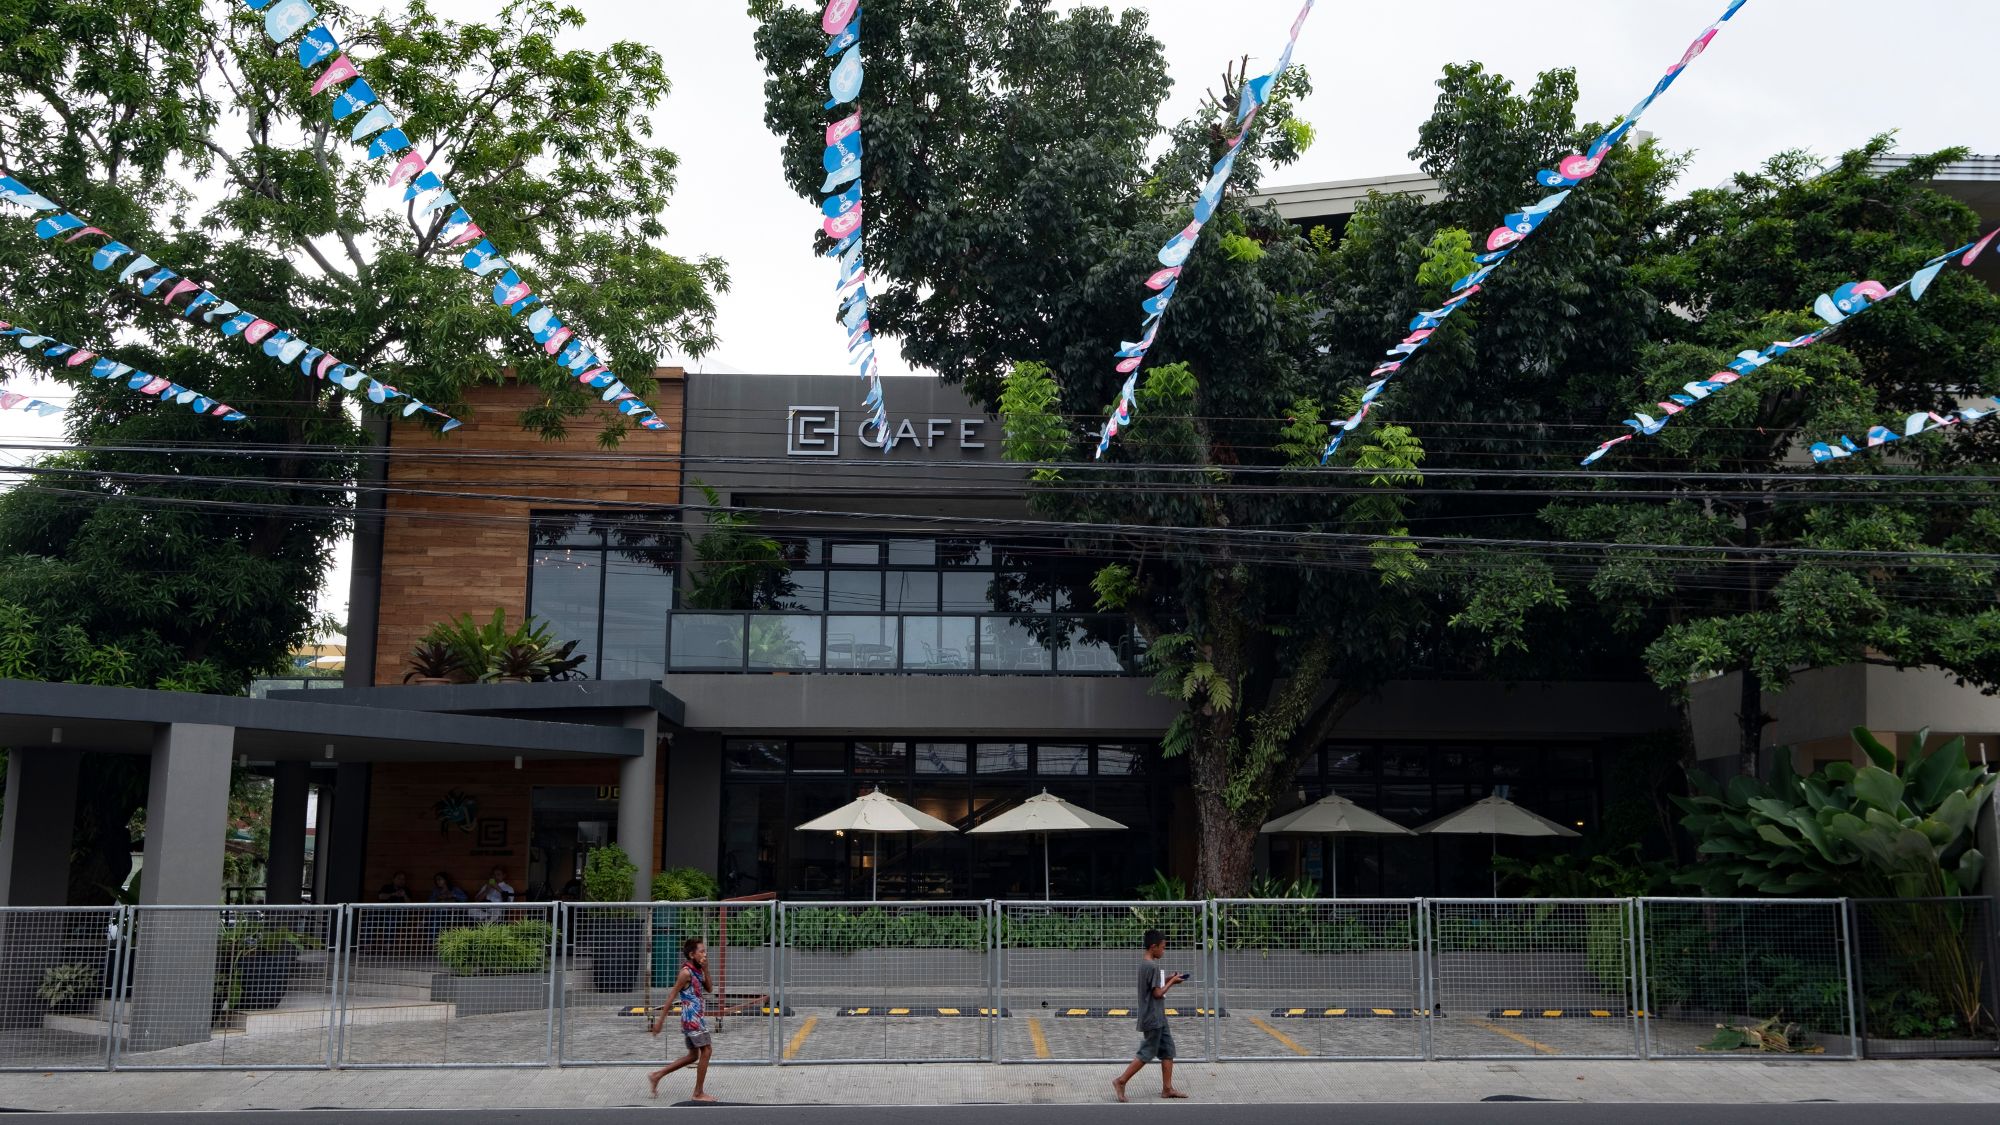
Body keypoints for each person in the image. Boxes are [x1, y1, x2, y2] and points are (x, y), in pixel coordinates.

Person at [1112, 928, 1188, 1102]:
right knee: (1147, 1051)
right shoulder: (1152, 966)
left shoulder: (1145, 964)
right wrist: (1172, 982)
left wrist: (1169, 978)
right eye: (1163, 947)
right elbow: (1157, 993)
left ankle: (1167, 1089)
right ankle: (1121, 1081)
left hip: (1158, 1016)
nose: (1164, 951)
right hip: (1153, 1016)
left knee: (1168, 1049)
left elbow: (1153, 985)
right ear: (1154, 947)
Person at [648, 937, 717, 1103]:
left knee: (693, 1056)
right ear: (692, 954)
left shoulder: (698, 970)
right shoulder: (686, 973)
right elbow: (672, 996)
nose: (705, 954)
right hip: (692, 1019)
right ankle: (698, 1093)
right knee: (707, 1051)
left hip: (696, 1017)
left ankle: (657, 1075)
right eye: (701, 951)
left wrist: (706, 969)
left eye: (705, 951)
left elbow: (709, 988)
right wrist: (660, 1021)